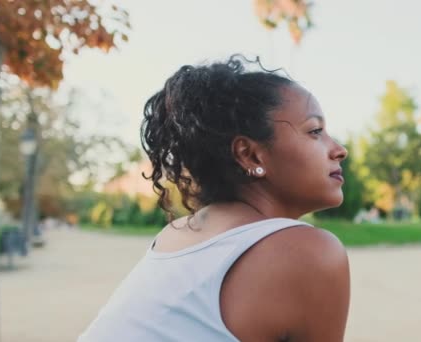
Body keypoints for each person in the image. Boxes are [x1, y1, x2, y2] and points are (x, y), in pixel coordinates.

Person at [78, 55, 350, 341]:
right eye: (315, 131)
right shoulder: (308, 252)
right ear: (250, 155)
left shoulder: (177, 234)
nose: (339, 149)